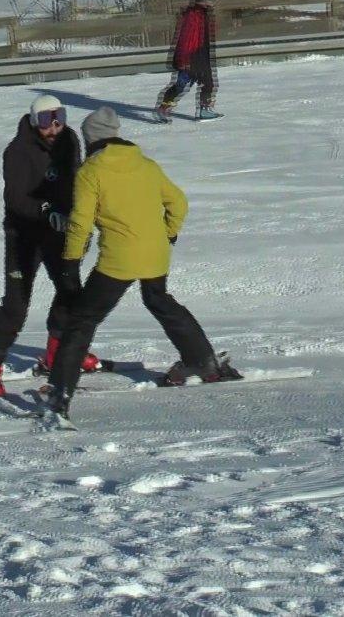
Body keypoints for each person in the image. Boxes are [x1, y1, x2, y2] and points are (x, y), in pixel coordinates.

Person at [43, 106, 240, 420]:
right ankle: (202, 361)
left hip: (119, 259)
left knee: (82, 320)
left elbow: (80, 223)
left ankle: (59, 395)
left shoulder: (91, 171)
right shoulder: (146, 165)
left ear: (91, 139)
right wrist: (169, 234)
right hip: (156, 253)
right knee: (159, 299)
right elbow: (178, 202)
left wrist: (70, 261)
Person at [0, 94, 103, 397]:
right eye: (46, 121)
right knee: (16, 305)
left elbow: (77, 181)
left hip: (59, 231)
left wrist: (81, 219)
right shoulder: (17, 151)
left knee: (70, 292)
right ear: (35, 121)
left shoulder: (69, 140)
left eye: (59, 118)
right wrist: (47, 211)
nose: (54, 127)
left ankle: (56, 354)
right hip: (24, 234)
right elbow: (16, 199)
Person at [154, 0, 221, 123]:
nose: (212, 2)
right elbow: (187, 39)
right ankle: (163, 108)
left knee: (208, 83)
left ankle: (204, 110)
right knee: (182, 85)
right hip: (191, 57)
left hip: (201, 56)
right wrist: (184, 60)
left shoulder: (203, 14)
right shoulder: (194, 15)